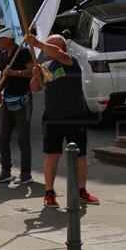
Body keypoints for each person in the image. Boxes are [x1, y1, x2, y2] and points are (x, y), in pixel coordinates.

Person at [26, 33, 100, 209]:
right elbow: (35, 89)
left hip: (74, 115)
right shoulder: (45, 66)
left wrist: (37, 42)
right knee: (52, 155)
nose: (46, 49)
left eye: (50, 46)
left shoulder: (69, 61)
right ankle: (49, 193)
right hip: (52, 117)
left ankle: (82, 191)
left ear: (61, 48)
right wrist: (36, 76)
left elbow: (57, 53)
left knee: (80, 155)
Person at [0, 27, 34, 185]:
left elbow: (32, 72)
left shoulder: (23, 53)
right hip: (6, 101)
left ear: (8, 39)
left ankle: (26, 173)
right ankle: (6, 171)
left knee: (23, 139)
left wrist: (15, 73)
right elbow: (2, 75)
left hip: (23, 100)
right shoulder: (3, 55)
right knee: (3, 137)